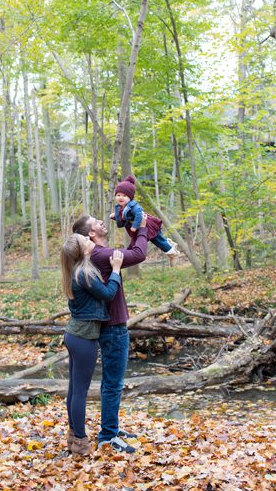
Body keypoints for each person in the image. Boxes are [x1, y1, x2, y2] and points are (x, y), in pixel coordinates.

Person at [71, 212, 150, 453]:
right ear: (91, 234)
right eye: (96, 222)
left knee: (110, 383)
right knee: (113, 384)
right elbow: (139, 254)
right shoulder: (101, 255)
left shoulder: (98, 255)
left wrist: (135, 228)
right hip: (114, 327)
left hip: (108, 326)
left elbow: (130, 251)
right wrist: (144, 228)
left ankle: (111, 428)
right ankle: (107, 435)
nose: (102, 221)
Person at [60, 233, 124, 456]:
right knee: (79, 392)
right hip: (83, 339)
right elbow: (108, 294)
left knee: (73, 390)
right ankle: (80, 441)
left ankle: (72, 436)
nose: (89, 239)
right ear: (84, 250)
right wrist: (116, 270)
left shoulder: (75, 270)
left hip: (74, 335)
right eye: (85, 240)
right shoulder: (84, 273)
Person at [110, 175, 179, 261]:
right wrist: (114, 216)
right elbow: (123, 217)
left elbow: (139, 214)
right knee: (137, 243)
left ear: (130, 197)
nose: (120, 197)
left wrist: (134, 226)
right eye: (118, 195)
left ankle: (172, 252)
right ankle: (170, 247)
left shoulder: (133, 206)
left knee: (156, 239)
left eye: (124, 195)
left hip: (146, 225)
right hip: (139, 228)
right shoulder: (122, 207)